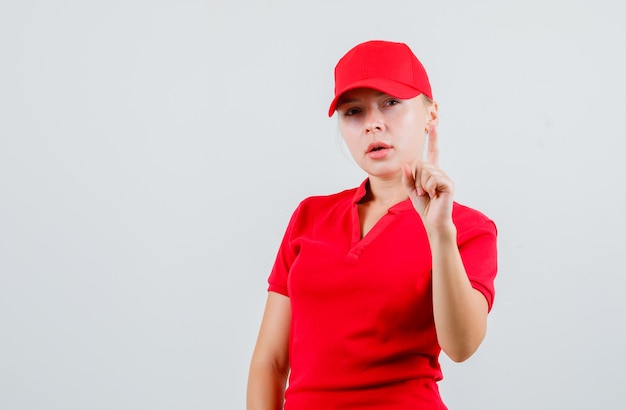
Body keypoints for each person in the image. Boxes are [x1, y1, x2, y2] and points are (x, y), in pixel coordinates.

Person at [246, 40, 498, 409]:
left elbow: (461, 346)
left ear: (431, 114)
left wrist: (440, 233)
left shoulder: (467, 227)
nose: (373, 124)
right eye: (353, 112)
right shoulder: (309, 217)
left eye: (391, 103)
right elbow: (269, 362)